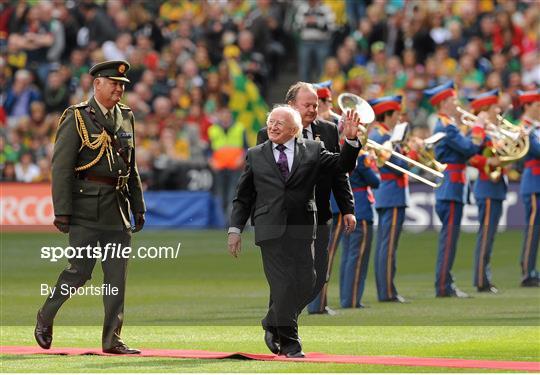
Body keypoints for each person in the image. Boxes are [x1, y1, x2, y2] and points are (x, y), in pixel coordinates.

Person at [228, 105, 362, 358]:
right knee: (282, 285)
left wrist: (351, 140)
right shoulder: (255, 154)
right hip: (269, 228)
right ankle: (291, 344)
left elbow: (341, 165)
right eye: (270, 122)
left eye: (279, 122)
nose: (273, 126)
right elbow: (243, 197)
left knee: (308, 281)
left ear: (294, 129)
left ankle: (271, 321)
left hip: (302, 227)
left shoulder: (312, 150)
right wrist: (235, 230)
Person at [34, 60, 146, 355]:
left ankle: (112, 339)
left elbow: (130, 166)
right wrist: (63, 211)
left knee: (116, 277)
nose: (119, 89)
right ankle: (46, 315)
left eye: (122, 85)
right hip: (85, 208)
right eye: (114, 84)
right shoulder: (77, 116)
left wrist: (138, 205)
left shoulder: (126, 116)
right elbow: (61, 168)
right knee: (80, 272)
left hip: (117, 207)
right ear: (97, 84)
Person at [256, 82, 356, 315]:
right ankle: (283, 329)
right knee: (286, 277)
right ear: (291, 105)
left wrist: (347, 207)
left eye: (316, 104)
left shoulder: (329, 130)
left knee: (318, 277)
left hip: (319, 215)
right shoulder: (269, 133)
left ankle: (277, 320)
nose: (313, 109)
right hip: (286, 218)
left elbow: (338, 173)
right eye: (307, 105)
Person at [425, 80, 483, 298]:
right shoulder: (446, 125)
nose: (457, 103)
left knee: (450, 239)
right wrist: (479, 128)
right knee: (449, 241)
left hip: (452, 186)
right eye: (453, 100)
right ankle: (443, 285)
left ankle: (446, 282)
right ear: (444, 103)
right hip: (451, 186)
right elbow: (469, 148)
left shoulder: (448, 124)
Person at [368, 95, 408, 303]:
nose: (399, 118)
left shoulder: (384, 135)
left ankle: (387, 289)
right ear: (389, 115)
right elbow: (400, 164)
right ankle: (386, 291)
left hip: (391, 194)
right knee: (388, 245)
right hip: (391, 193)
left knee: (387, 245)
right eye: (397, 114)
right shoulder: (382, 137)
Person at [467, 89, 506, 293]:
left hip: (496, 187)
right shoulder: (478, 131)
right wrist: (489, 161)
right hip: (487, 186)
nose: (499, 110)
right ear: (486, 110)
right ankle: (482, 279)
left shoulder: (495, 130)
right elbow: (472, 156)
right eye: (495, 107)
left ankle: (484, 277)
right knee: (485, 236)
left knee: (489, 236)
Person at [339, 149, 380, 308]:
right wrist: (370, 162)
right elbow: (375, 181)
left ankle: (346, 297)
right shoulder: (361, 158)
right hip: (361, 209)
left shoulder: (342, 154)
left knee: (348, 256)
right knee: (358, 258)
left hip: (347, 209)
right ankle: (352, 299)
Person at [517, 89, 540, 287]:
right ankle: (527, 271)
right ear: (527, 106)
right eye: (537, 105)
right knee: (533, 229)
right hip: (534, 182)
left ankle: (532, 269)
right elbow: (536, 150)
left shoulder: (534, 127)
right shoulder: (523, 128)